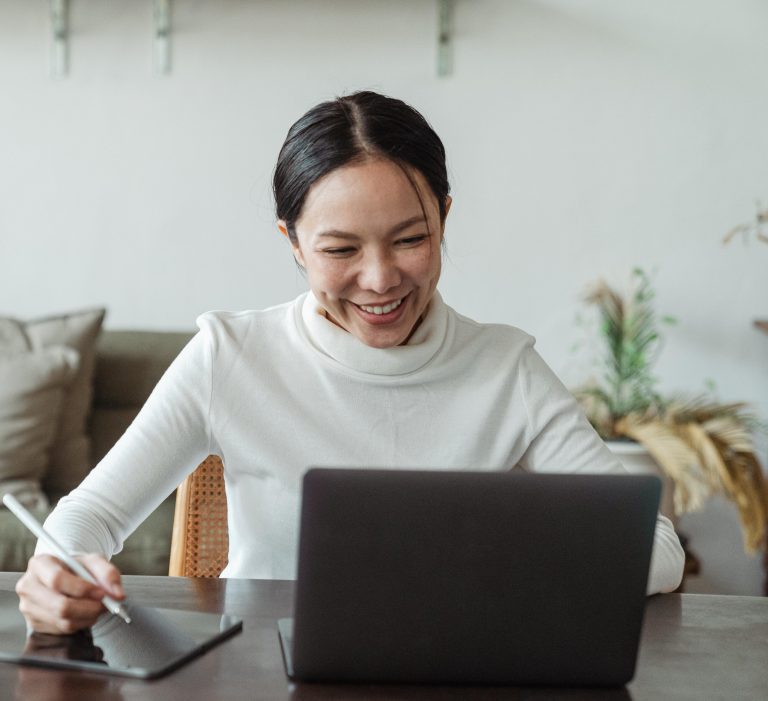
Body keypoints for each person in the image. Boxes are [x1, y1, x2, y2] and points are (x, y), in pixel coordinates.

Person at [16, 91, 685, 634]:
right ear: (294, 243)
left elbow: (656, 545)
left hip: (454, 673)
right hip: (261, 673)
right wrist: (58, 569)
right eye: (340, 249)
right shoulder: (231, 356)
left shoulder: (505, 368)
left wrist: (517, 567)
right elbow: (89, 515)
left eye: (411, 238)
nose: (380, 278)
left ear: (444, 218)